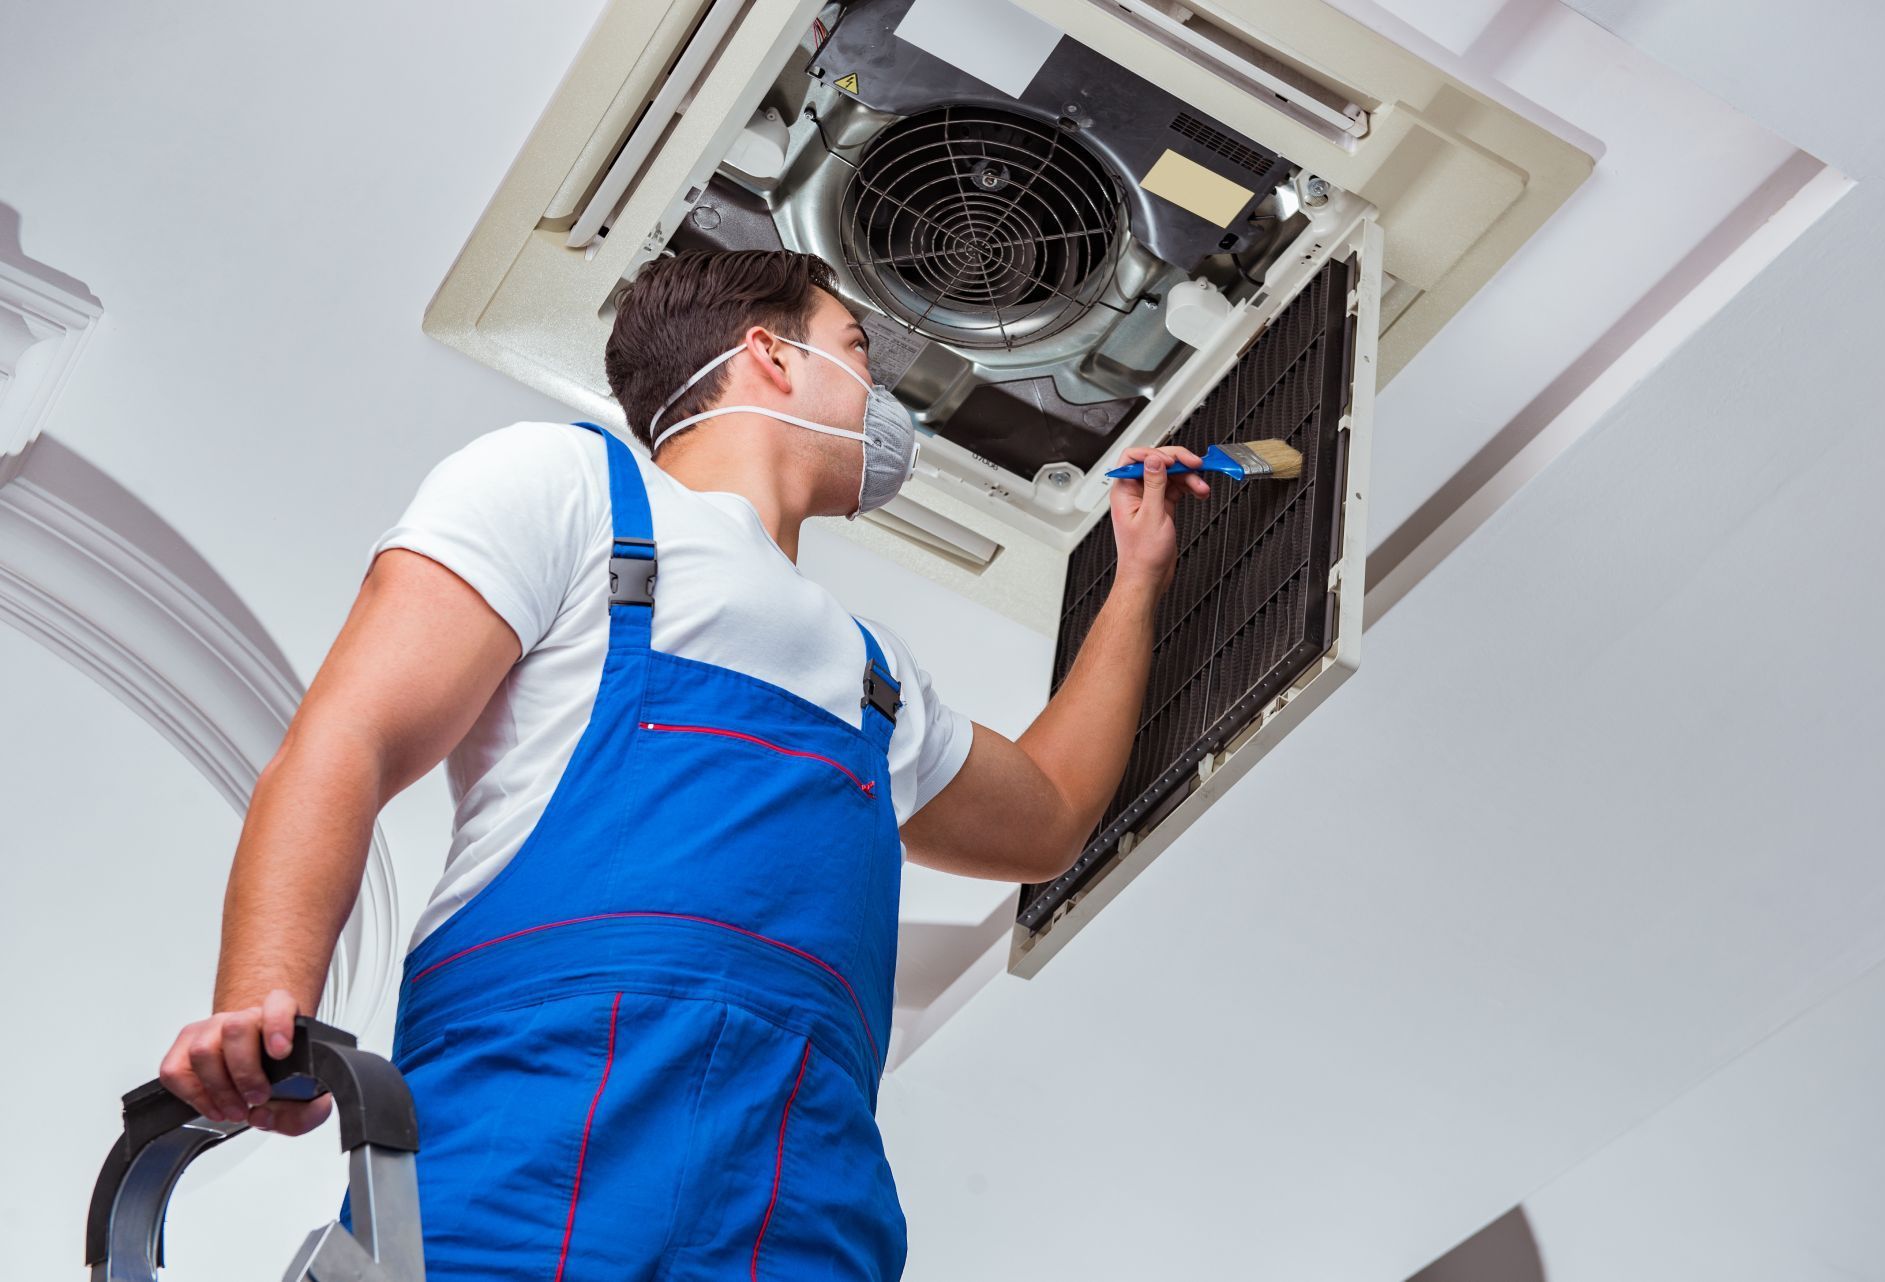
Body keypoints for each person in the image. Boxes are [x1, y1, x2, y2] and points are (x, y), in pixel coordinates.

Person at [157, 248, 1209, 1279]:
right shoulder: (569, 485)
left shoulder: (882, 676)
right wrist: (267, 1003)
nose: (884, 405)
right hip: (538, 1114)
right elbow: (351, 736)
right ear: (771, 355)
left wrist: (1137, 581)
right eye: (857, 349)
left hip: (804, 1170)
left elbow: (1052, 813)